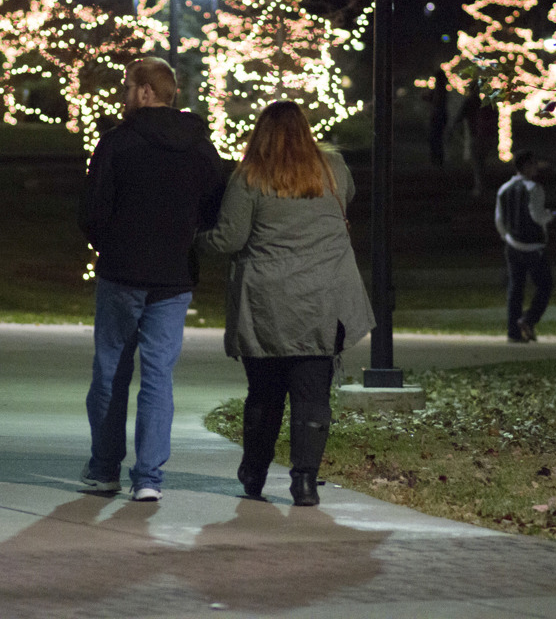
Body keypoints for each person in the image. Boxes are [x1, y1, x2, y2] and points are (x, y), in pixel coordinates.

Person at [197, 101, 374, 507]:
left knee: (264, 393)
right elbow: (344, 203)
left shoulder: (249, 178)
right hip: (324, 302)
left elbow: (230, 238)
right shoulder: (334, 169)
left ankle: (254, 471)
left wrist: (195, 241)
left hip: (268, 305)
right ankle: (305, 480)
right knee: (313, 394)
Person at [78, 57, 225, 502]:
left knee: (111, 372)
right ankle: (149, 477)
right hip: (173, 276)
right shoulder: (200, 148)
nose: (124, 94)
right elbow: (215, 207)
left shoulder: (118, 143)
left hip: (123, 272)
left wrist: (110, 243)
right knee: (159, 375)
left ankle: (105, 468)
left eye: (127, 85)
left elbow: (92, 210)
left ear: (144, 91)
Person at [495, 150, 556, 342]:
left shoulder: (504, 189)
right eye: (533, 164)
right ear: (525, 166)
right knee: (545, 285)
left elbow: (499, 219)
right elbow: (537, 216)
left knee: (515, 289)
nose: (536, 167)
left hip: (513, 245)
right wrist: (550, 216)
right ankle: (528, 319)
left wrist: (507, 237)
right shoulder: (534, 189)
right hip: (532, 247)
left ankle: (513, 332)